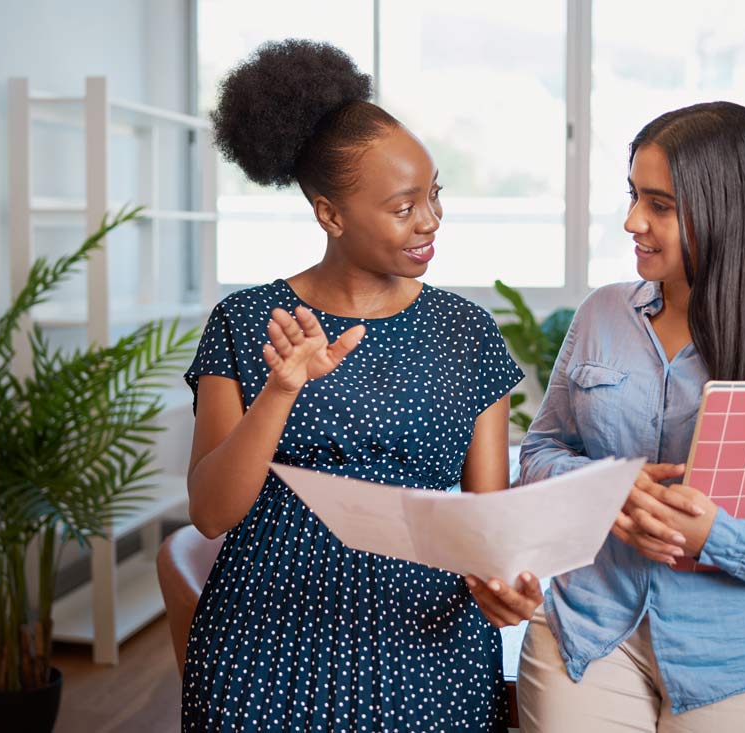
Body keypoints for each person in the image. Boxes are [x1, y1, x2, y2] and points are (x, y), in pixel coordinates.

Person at [181, 39, 540, 732]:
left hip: (429, 642)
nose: (430, 221)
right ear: (331, 214)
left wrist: (502, 581)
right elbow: (211, 513)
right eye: (404, 206)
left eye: (434, 196)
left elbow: (486, 525)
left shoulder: (468, 333)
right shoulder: (246, 321)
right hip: (268, 638)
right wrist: (280, 391)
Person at [515, 102, 745, 733]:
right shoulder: (601, 316)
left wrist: (718, 537)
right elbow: (539, 455)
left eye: (659, 205)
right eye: (633, 195)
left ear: (728, 210)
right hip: (591, 631)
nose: (633, 220)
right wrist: (602, 488)